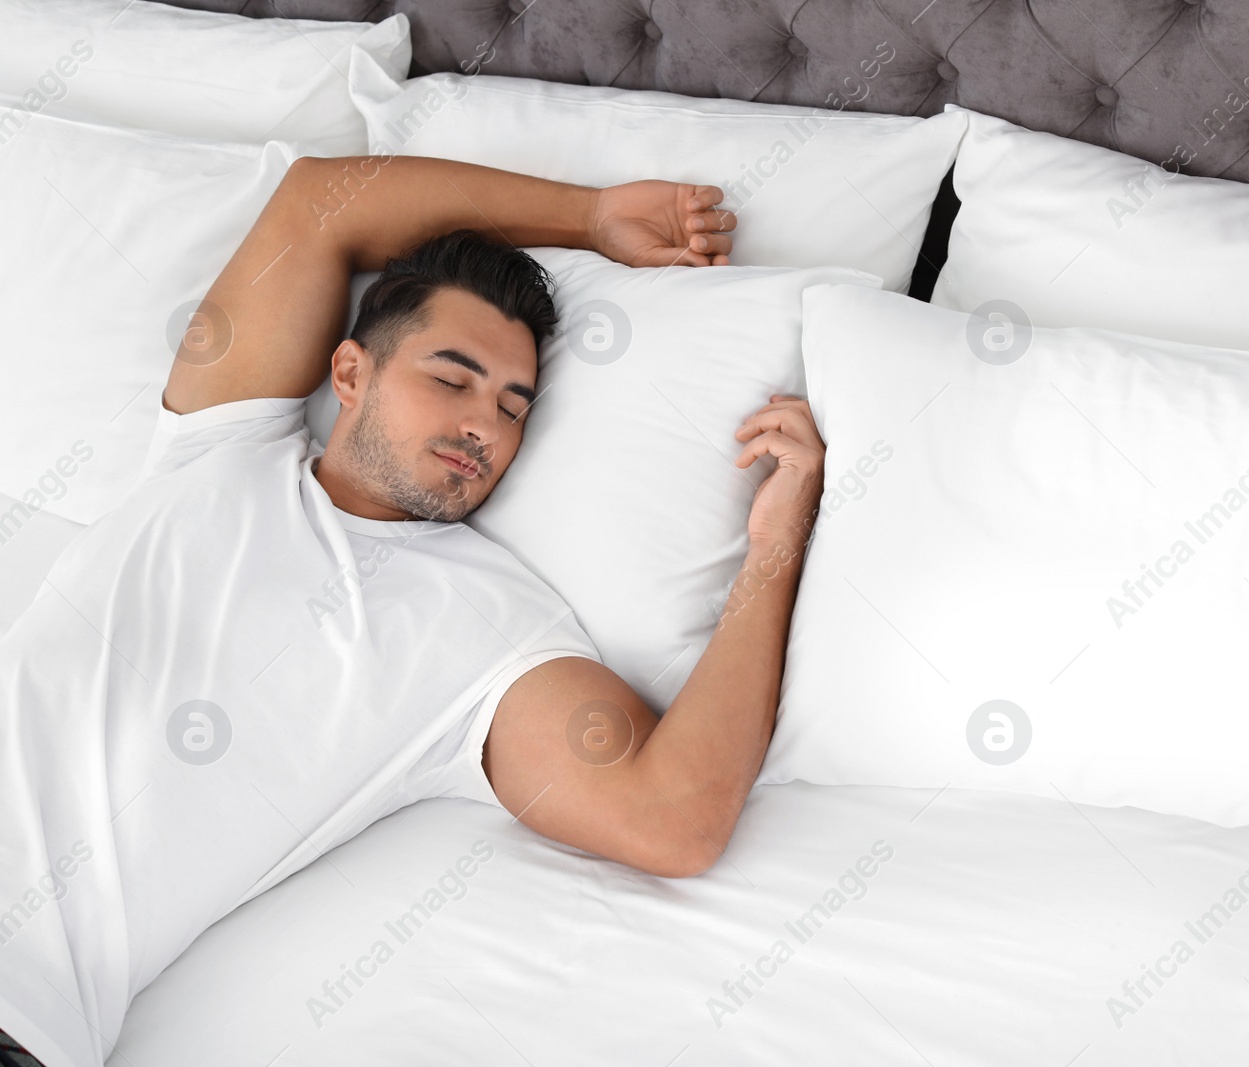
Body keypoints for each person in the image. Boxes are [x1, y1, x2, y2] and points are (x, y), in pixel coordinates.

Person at [0, 154, 826, 1066]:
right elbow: (320, 204)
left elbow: (675, 817)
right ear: (349, 372)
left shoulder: (489, 625)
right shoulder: (221, 443)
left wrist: (774, 550)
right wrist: (589, 216)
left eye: (515, 405)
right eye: (453, 376)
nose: (487, 423)